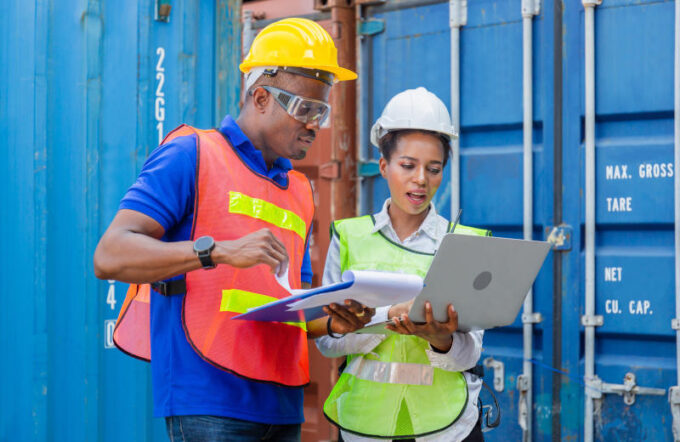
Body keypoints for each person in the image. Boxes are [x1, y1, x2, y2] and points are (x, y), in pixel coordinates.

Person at [94, 18, 374, 442]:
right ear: (260, 97)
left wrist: (335, 322)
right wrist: (216, 252)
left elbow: (291, 307)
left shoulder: (300, 189)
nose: (316, 124)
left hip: (282, 404)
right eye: (305, 109)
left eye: (322, 111)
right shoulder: (191, 154)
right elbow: (110, 255)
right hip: (208, 400)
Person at [316, 87, 490, 442]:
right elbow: (327, 341)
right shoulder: (349, 237)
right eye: (408, 165)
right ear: (383, 166)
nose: (421, 179)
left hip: (448, 429)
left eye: (434, 168)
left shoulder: (465, 243)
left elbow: (470, 351)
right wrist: (387, 318)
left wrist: (441, 339)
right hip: (365, 427)